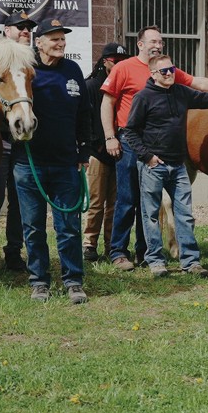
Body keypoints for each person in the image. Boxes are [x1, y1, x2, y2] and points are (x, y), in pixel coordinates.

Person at [101, 25, 208, 271]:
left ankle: (146, 253)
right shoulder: (125, 69)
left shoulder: (171, 75)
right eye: (153, 41)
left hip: (165, 150)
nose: (157, 45)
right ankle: (119, 252)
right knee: (127, 199)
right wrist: (110, 136)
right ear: (140, 44)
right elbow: (107, 102)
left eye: (161, 41)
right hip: (131, 141)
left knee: (151, 205)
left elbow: (200, 87)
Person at [12, 18, 91, 304]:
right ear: (39, 42)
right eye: (54, 39)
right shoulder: (25, 67)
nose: (60, 44)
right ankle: (39, 282)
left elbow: (85, 113)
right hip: (28, 164)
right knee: (32, 227)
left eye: (63, 39)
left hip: (66, 164)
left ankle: (73, 281)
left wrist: (83, 152)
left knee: (69, 225)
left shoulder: (73, 70)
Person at [0, 10, 36, 272]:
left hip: (25, 143)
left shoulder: (31, 61)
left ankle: (14, 251)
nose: (25, 30)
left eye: (28, 28)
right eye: (19, 26)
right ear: (6, 31)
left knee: (20, 200)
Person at [82, 42, 130, 262]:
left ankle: (112, 244)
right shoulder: (92, 85)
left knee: (116, 202)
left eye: (122, 60)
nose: (119, 64)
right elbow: (86, 119)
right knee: (96, 201)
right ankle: (89, 244)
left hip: (120, 151)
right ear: (104, 61)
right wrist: (96, 145)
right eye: (115, 60)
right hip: (98, 152)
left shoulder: (123, 84)